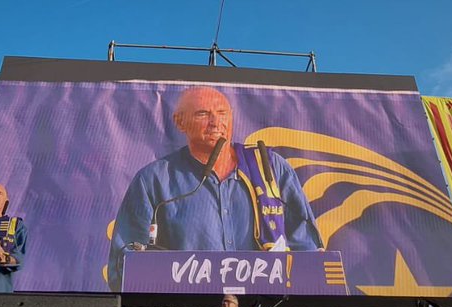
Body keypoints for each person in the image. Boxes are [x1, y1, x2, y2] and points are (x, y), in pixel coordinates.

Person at [109, 86, 323, 288]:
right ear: (180, 122)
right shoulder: (154, 180)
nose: (215, 122)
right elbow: (126, 263)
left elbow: (306, 247)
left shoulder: (270, 168)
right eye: (202, 114)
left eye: (222, 113)